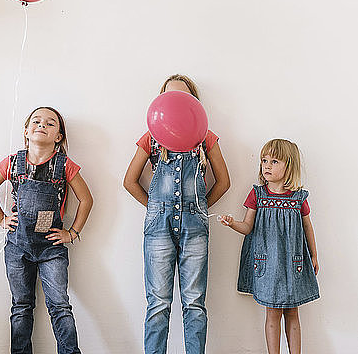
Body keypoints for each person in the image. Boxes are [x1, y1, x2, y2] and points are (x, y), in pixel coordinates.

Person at [123, 74, 230, 354]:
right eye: (170, 97)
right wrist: (155, 208)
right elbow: (130, 181)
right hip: (158, 228)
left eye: (183, 97)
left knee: (194, 302)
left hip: (195, 227)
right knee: (158, 302)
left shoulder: (205, 137)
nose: (176, 104)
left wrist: (200, 206)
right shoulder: (152, 138)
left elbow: (224, 182)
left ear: (194, 103)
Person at [0, 106, 93, 354]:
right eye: (37, 121)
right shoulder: (12, 163)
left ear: (59, 137)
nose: (42, 125)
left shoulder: (65, 165)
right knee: (21, 306)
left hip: (51, 249)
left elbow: (86, 200)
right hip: (17, 247)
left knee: (60, 305)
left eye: (51, 123)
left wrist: (72, 233)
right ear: (26, 131)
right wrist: (1, 219)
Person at [220, 139, 319, 354]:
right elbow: (248, 227)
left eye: (274, 161)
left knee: (292, 312)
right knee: (272, 313)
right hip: (267, 264)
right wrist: (232, 223)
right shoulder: (257, 195)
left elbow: (308, 228)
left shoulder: (298, 198)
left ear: (289, 166)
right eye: (264, 160)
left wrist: (314, 256)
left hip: (293, 263)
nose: (266, 166)